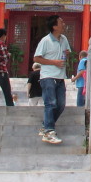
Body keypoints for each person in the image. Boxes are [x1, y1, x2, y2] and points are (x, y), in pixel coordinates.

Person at [34, 15, 71, 144]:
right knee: (51, 103)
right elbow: (37, 58)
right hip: (48, 76)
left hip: (60, 77)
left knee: (60, 105)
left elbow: (67, 51)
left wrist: (65, 54)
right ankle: (49, 131)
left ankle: (45, 125)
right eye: (61, 22)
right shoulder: (45, 41)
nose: (64, 24)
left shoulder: (64, 39)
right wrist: (54, 62)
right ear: (54, 26)